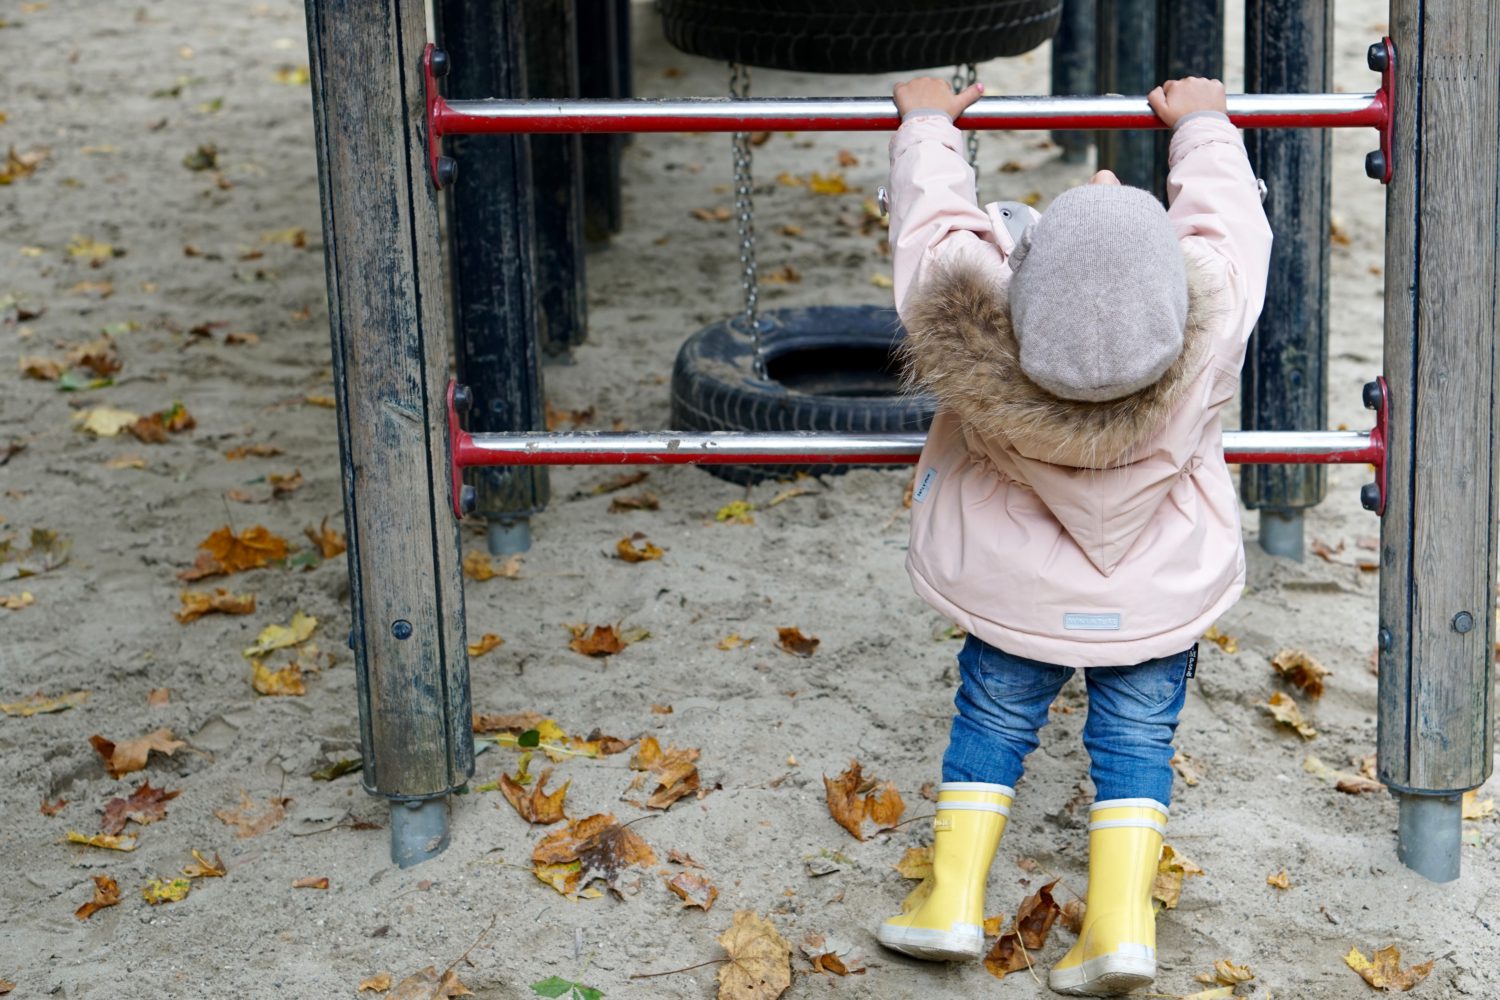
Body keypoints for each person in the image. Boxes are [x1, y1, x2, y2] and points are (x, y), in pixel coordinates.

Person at [873, 74, 1272, 997]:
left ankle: (949, 903)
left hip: (1016, 588)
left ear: (1015, 287)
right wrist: (1202, 126)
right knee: (1138, 738)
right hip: (1156, 589)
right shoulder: (1206, 327)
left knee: (993, 718)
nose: (1098, 178)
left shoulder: (975, 332)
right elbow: (1231, 234)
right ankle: (1121, 927)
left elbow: (934, 232)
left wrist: (929, 121)